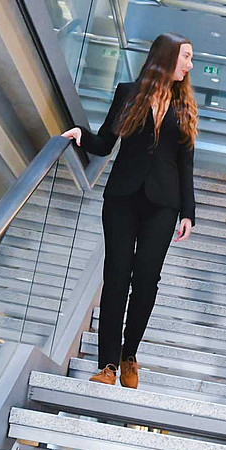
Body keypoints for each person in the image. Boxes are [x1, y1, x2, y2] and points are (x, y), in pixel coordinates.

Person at [63, 32, 197, 388]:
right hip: (122, 197)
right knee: (117, 278)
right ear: (167, 57)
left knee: (146, 283)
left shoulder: (184, 106)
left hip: (164, 204)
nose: (189, 65)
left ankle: (129, 355)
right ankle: (106, 365)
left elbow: (186, 163)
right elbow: (106, 142)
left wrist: (188, 212)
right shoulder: (128, 92)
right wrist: (80, 134)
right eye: (185, 57)